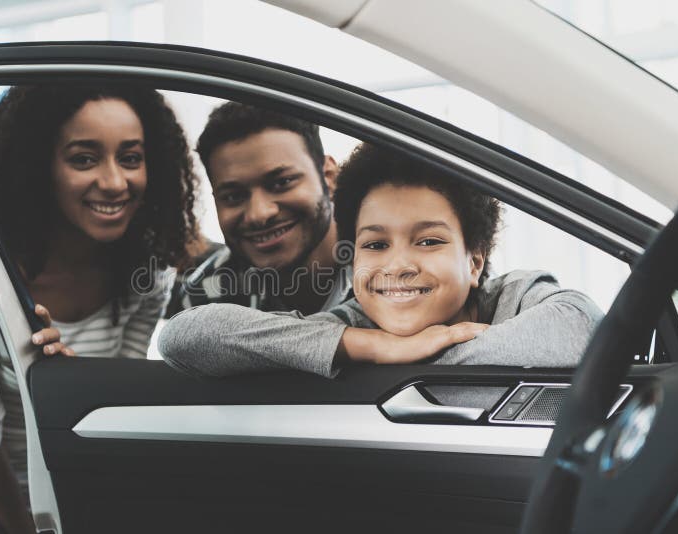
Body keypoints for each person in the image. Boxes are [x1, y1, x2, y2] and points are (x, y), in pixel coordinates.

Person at [0, 83, 198, 534]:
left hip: (63, 489)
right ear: (40, 168)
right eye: (84, 158)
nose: (114, 181)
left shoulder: (148, 275)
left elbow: (108, 412)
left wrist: (70, 380)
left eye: (130, 157)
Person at [159, 143, 602, 378]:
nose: (398, 265)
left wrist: (422, 357)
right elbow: (185, 338)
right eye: (375, 245)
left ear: (473, 261)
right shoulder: (354, 325)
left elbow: (583, 327)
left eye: (428, 241)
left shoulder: (514, 296)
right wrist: (377, 347)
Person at [166, 101, 350, 317]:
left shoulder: (386, 267)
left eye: (282, 183)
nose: (259, 214)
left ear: (328, 176)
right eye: (233, 196)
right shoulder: (207, 296)